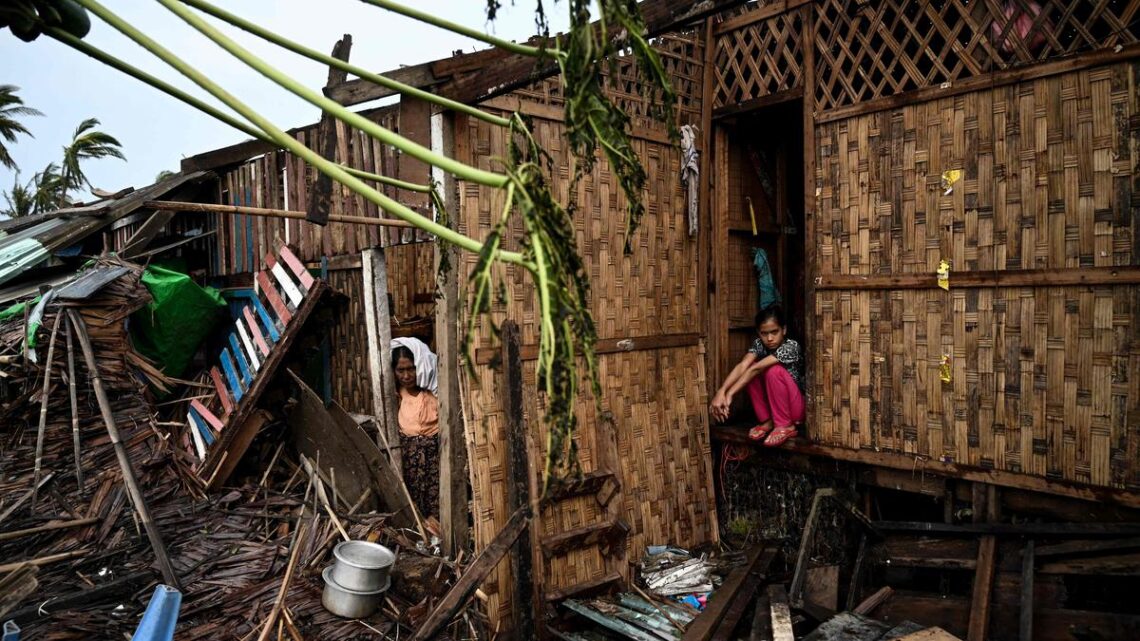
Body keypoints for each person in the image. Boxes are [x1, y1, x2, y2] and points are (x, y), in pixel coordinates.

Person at [710, 306, 804, 447]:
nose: (769, 338)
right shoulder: (759, 344)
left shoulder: (791, 347)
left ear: (784, 330)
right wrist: (721, 391)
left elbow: (756, 368)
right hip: (775, 409)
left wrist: (729, 395)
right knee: (751, 365)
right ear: (758, 333)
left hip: (796, 409)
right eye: (764, 333)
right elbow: (743, 365)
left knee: (772, 370)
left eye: (774, 332)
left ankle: (785, 426)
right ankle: (768, 421)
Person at [392, 342, 440, 518]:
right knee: (412, 504)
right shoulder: (397, 394)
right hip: (408, 460)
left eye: (411, 369)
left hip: (435, 456)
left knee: (437, 504)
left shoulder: (434, 391)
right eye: (400, 370)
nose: (406, 375)